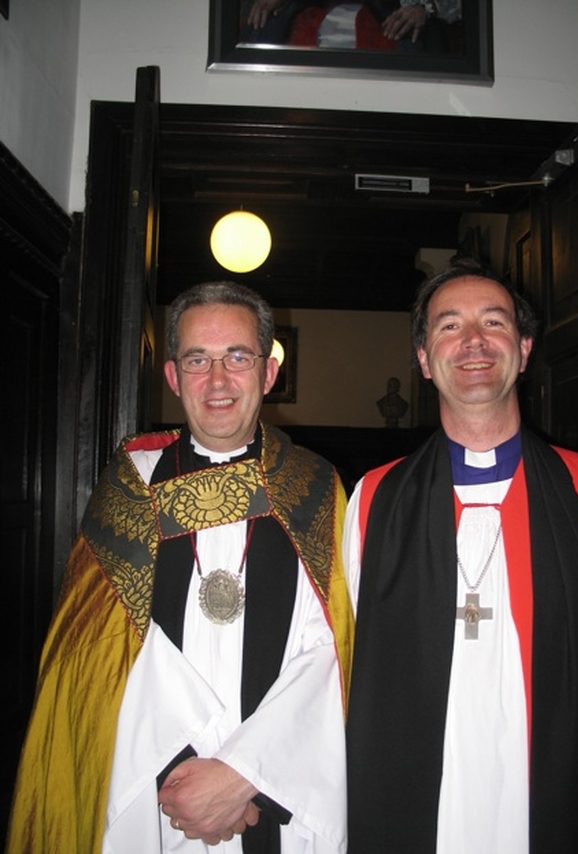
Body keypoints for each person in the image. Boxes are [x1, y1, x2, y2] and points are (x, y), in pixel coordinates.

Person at [7, 281, 354, 854]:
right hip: (151, 794)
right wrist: (184, 772)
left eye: (237, 357)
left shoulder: (316, 491)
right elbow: (94, 662)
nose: (217, 380)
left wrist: (246, 774)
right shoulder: (128, 491)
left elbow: (333, 653)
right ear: (172, 376)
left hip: (278, 798)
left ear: (268, 374)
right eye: (198, 360)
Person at [344, 260, 578, 853]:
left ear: (524, 350)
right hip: (424, 798)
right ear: (425, 361)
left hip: (552, 791)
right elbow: (359, 660)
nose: (474, 341)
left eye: (494, 322)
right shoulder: (376, 498)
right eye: (449, 326)